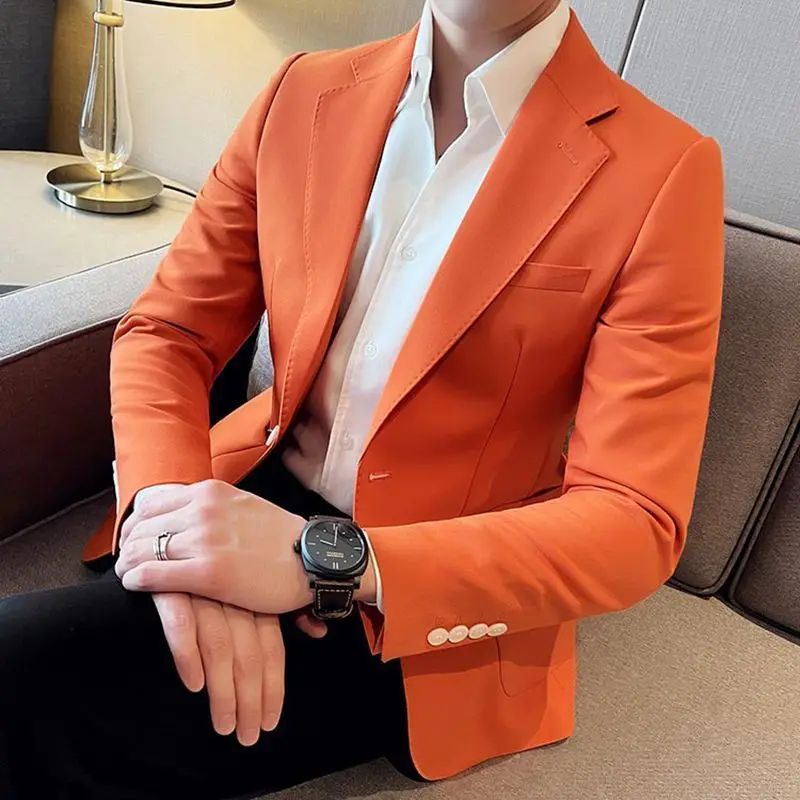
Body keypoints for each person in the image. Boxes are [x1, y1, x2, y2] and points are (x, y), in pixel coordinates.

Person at [0, 0, 725, 796]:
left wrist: (324, 564)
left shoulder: (662, 171)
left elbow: (634, 519)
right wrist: (175, 526)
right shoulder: (302, 92)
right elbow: (168, 331)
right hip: (243, 495)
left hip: (411, 601)